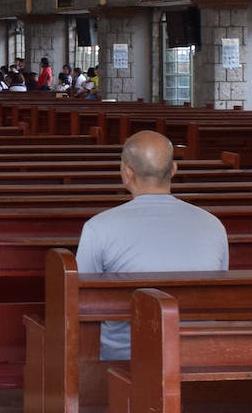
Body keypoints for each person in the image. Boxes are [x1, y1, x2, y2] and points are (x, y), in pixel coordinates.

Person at [74, 131, 229, 360]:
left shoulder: (98, 228)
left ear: (126, 174)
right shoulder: (213, 225)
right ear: (174, 170)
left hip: (125, 355)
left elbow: (80, 301)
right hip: (196, 352)